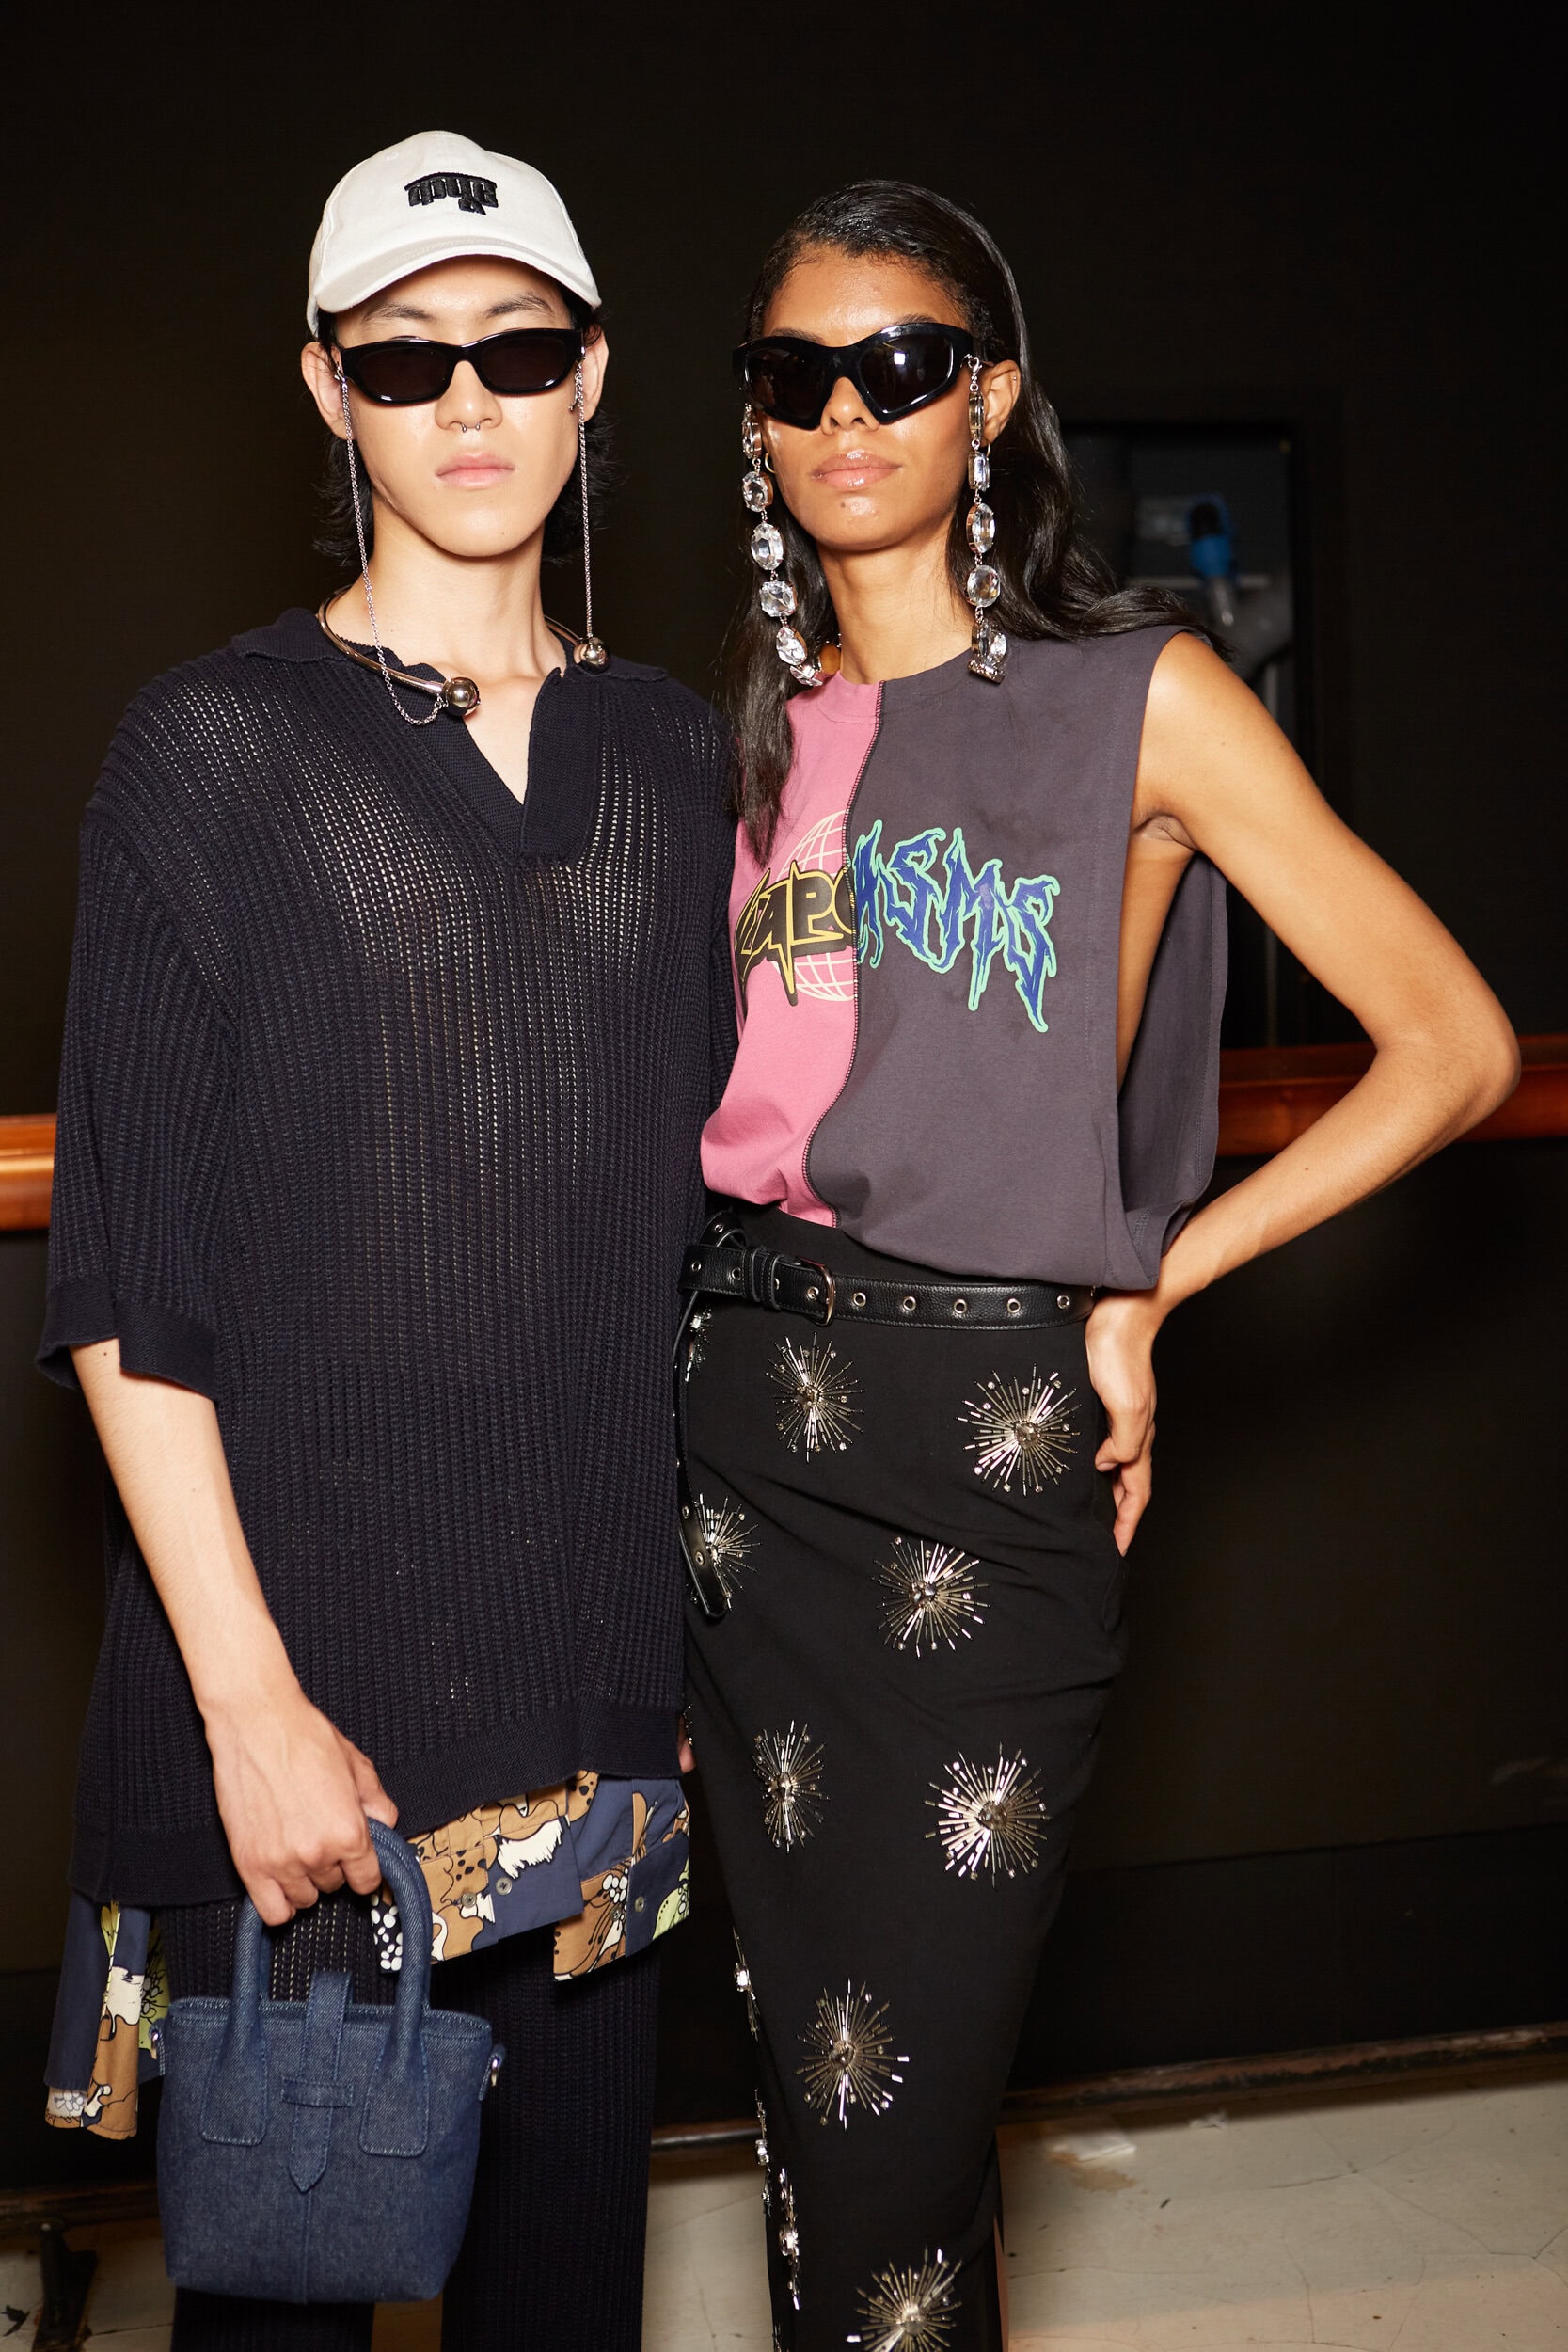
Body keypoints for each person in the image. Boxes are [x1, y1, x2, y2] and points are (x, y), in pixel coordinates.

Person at [678, 181, 1519, 2351]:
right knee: (822, 2118)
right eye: (796, 375)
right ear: (755, 421)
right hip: (739, 1447)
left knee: (893, 2114)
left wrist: (1161, 1274)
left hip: (979, 1454)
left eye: (899, 366)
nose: (847, 412)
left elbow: (1451, 1043)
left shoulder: (1140, 699)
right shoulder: (748, 736)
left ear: (989, 397)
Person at [39, 132, 734, 2350]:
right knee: (278, 2314)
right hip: (302, 1723)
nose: (467, 402)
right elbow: (126, 1283)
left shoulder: (673, 755)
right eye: (407, 357)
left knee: (567, 2308)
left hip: (592, 1699)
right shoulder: (209, 751)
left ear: (593, 369)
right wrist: (248, 1705)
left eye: (515, 349)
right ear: (327, 386)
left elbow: (722, 1222)